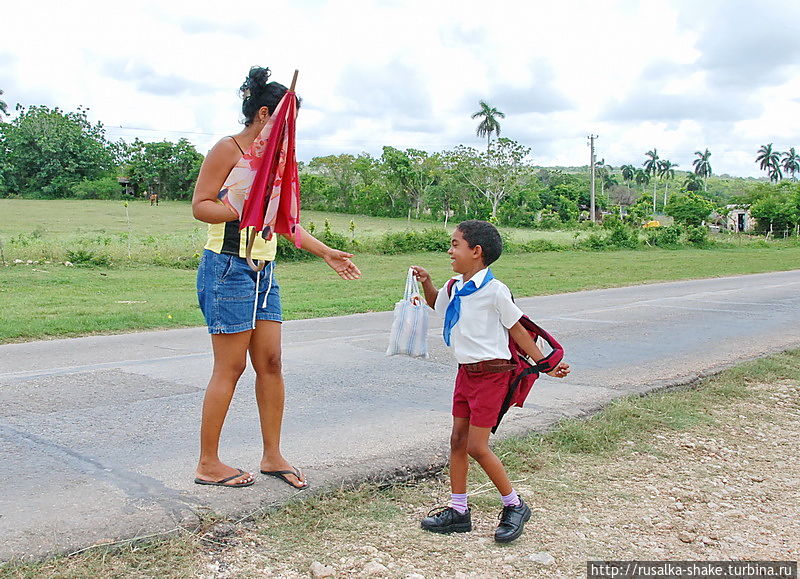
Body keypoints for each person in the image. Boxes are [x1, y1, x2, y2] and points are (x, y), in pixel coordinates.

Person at [191, 66, 361, 488]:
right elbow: (200, 206)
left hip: (264, 271)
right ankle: (208, 463)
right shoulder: (228, 150)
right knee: (229, 368)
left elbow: (283, 221)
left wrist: (326, 252)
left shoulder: (276, 163)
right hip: (227, 267)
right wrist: (237, 206)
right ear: (265, 115)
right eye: (289, 121)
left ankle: (272, 456)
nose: (293, 132)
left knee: (271, 363)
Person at [411, 220, 570, 543]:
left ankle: (514, 504)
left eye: (456, 244)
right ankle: (459, 511)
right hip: (466, 374)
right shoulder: (455, 286)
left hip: (494, 376)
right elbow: (436, 304)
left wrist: (545, 365)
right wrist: (427, 283)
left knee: (476, 446)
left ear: (476, 252)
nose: (450, 250)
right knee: (457, 441)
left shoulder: (494, 291)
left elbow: (518, 329)